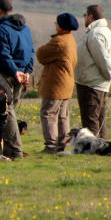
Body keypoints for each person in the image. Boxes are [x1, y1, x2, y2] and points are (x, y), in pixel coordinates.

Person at [0, 0, 34, 159]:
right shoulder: (25, 29)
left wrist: (14, 71)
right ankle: (6, 148)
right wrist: (26, 71)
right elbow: (31, 51)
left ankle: (15, 150)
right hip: (20, 75)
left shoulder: (2, 29)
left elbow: (3, 53)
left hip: (5, 74)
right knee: (9, 110)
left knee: (6, 111)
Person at [74, 5, 111, 139]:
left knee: (91, 121)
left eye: (85, 15)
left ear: (90, 17)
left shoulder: (96, 34)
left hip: (92, 84)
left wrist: (109, 75)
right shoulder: (107, 32)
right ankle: (102, 146)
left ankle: (92, 150)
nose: (84, 18)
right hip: (97, 83)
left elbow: (103, 58)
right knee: (99, 119)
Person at [36, 13, 79, 154]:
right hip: (66, 83)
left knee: (48, 113)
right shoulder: (70, 39)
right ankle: (62, 143)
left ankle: (51, 145)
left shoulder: (59, 41)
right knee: (62, 115)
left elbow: (41, 54)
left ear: (61, 26)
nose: (55, 24)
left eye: (57, 23)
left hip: (56, 83)